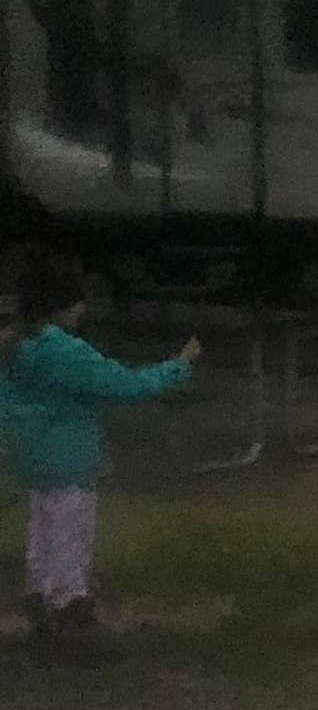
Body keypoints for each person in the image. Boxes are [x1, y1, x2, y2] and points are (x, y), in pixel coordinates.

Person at [4, 258, 195, 655]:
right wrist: (177, 368)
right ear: (60, 305)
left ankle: (40, 601)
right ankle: (70, 612)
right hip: (69, 457)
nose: (82, 308)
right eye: (77, 301)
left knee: (43, 530)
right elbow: (121, 384)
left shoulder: (14, 346)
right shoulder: (63, 351)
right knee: (72, 534)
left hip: (31, 456)